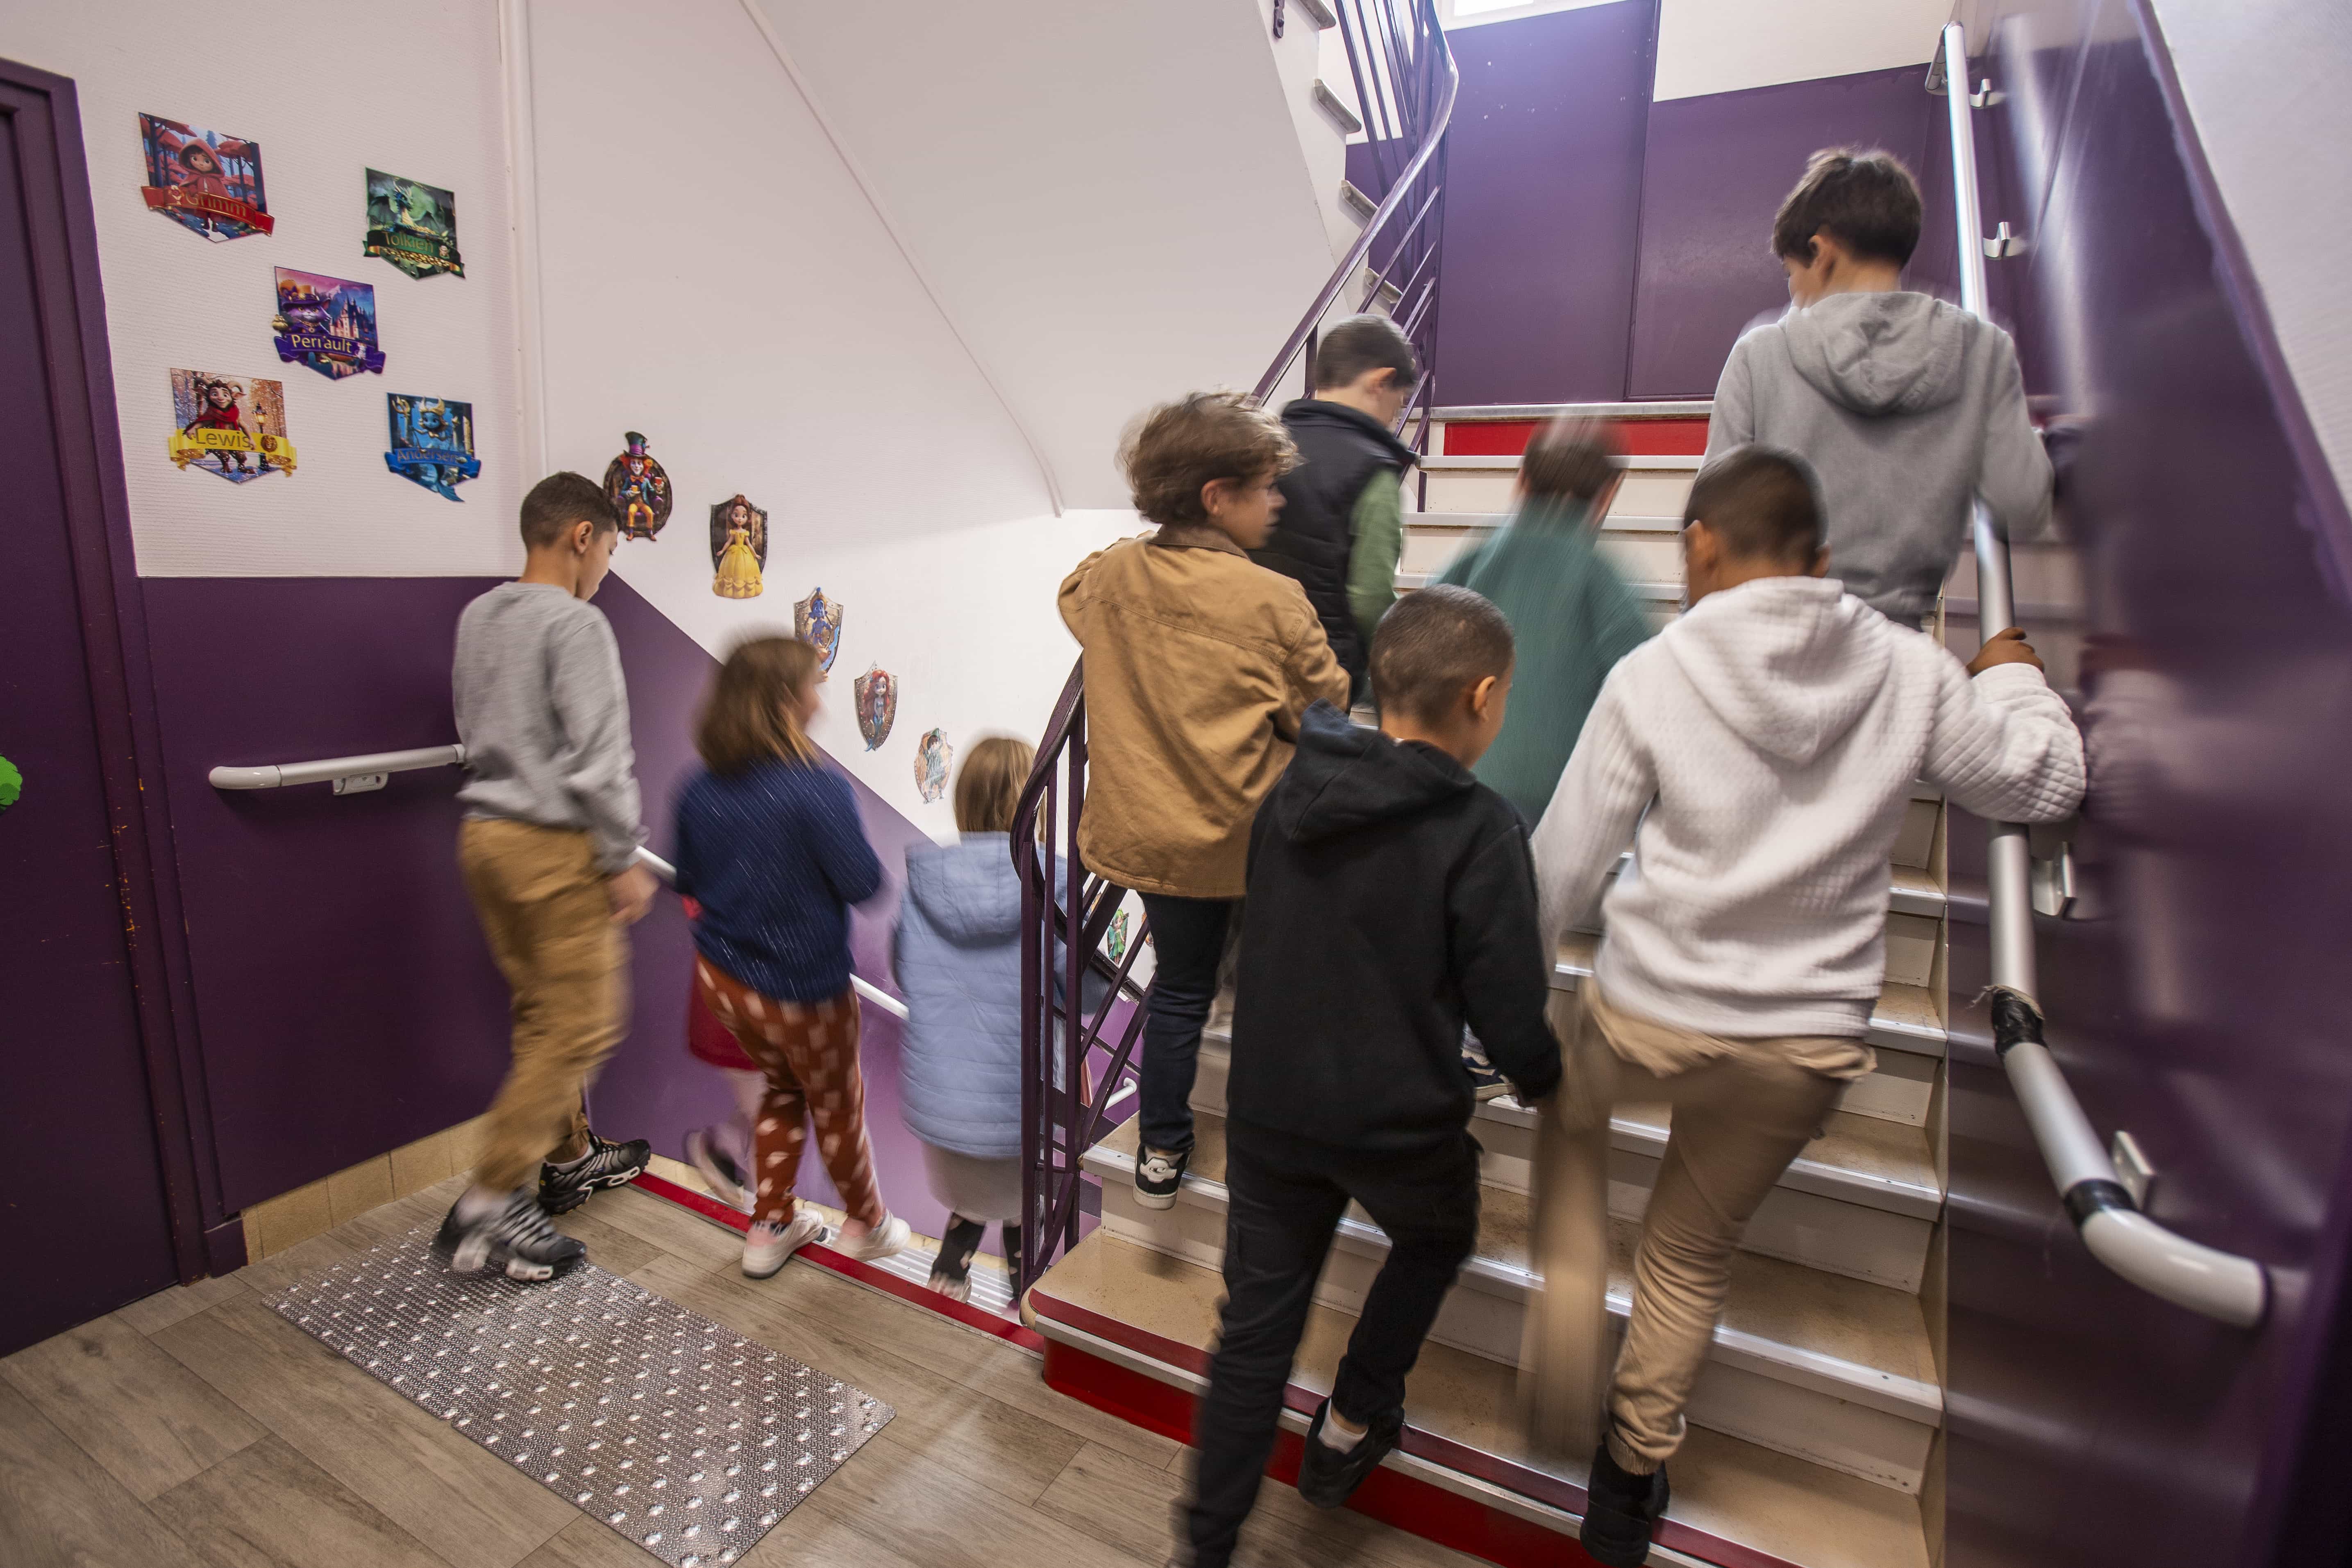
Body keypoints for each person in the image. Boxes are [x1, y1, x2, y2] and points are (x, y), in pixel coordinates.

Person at [1524, 447, 2084, 1566]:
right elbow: (2041, 781)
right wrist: (2014, 679)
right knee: (1689, 1251)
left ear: (1699, 545)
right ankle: (1627, 1479)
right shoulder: (1911, 668)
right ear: (1820, 561)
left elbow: (1563, 867)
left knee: (1569, 1123)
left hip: (1650, 1011)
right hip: (1800, 1041)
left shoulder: (1656, 669)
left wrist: (1511, 995)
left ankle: (1567, 1318)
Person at [1177, 585, 1563, 1568]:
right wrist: (1545, 1079)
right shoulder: (1482, 827)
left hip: (1269, 1106)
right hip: (1395, 1124)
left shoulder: (1288, 792)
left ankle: (1202, 1548)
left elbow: (1255, 933)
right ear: (1482, 696)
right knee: (1439, 1231)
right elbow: (1507, 1002)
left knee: (1253, 1333)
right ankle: (1352, 1415)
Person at [1059, 393, 1349, 1209]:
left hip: (1148, 837)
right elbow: (1324, 706)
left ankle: (1161, 1148)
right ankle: (1280, 1135)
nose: (1278, 502)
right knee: (1273, 978)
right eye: (1265, 487)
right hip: (1242, 839)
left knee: (1179, 989)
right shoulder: (1273, 599)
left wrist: (1143, 544)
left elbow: (1075, 590)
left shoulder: (1113, 577)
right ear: (1217, 497)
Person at [432, 472, 656, 1282]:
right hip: (551, 846)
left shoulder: (479, 616)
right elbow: (600, 757)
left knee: (541, 1015)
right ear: (581, 537)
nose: (604, 571)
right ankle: (488, 1200)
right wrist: (623, 856)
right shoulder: (576, 623)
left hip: (485, 838)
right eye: (608, 551)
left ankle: (554, 1167)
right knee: (585, 1025)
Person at [1707, 147, 2051, 628]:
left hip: (1771, 633)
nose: (1792, 291)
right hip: (1897, 642)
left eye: (1790, 273)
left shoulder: (1760, 352)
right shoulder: (1984, 351)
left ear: (1821, 252)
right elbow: (2022, 503)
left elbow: (1711, 524)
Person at [673, 635, 911, 1279]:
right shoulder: (818, 789)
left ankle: (771, 1223)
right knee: (837, 1105)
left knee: (780, 1090)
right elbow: (864, 884)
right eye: (814, 687)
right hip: (805, 989)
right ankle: (866, 1222)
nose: (821, 702)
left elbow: (688, 880)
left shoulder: (698, 787)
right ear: (785, 699)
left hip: (727, 983)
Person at [1435, 416, 1652, 823]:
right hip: (1554, 794)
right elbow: (1644, 682)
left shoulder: (1474, 557)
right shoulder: (1600, 574)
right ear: (1608, 494)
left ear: (1521, 481)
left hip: (1460, 777)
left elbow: (1410, 640)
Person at [891, 735, 1039, 1302]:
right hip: (1018, 1111)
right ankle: (1027, 1302)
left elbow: (904, 968)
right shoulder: (1048, 886)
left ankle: (947, 1279)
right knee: (1024, 1206)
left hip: (944, 1113)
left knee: (974, 1198)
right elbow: (1090, 994)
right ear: (1034, 803)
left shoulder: (924, 882)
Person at [1253, 315, 1421, 701]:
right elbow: (1369, 599)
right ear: (1380, 381)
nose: (1397, 414)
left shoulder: (1263, 444)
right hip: (1321, 670)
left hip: (1246, 651)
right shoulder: (1374, 471)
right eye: (1400, 400)